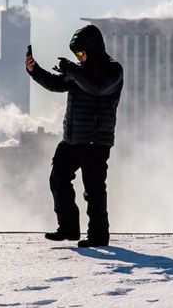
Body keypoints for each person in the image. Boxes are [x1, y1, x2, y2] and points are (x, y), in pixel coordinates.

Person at [25, 24, 123, 247]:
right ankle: (68, 228)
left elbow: (97, 87)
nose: (78, 57)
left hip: (95, 141)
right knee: (58, 179)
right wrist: (34, 70)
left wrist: (71, 69)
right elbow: (55, 84)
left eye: (80, 52)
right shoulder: (79, 71)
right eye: (76, 54)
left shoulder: (113, 70)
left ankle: (98, 236)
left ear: (93, 48)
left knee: (93, 190)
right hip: (71, 139)